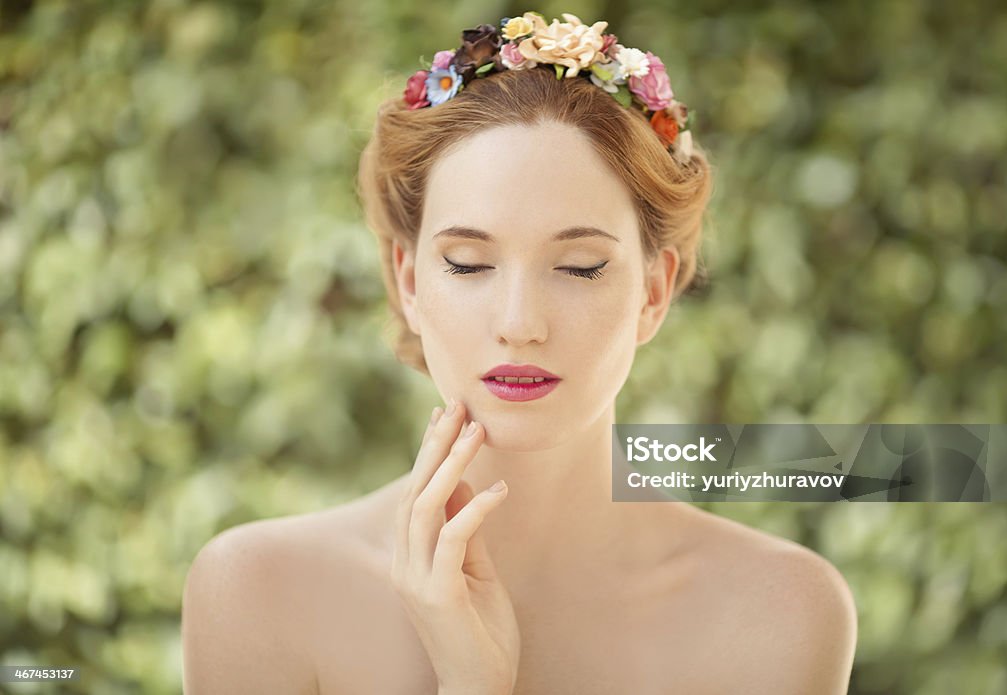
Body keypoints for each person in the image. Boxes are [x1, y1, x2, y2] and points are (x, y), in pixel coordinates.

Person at [182, 13, 857, 694]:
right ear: (410, 280)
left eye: (581, 266)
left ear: (653, 291)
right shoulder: (259, 593)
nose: (520, 323)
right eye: (470, 264)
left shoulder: (779, 611)